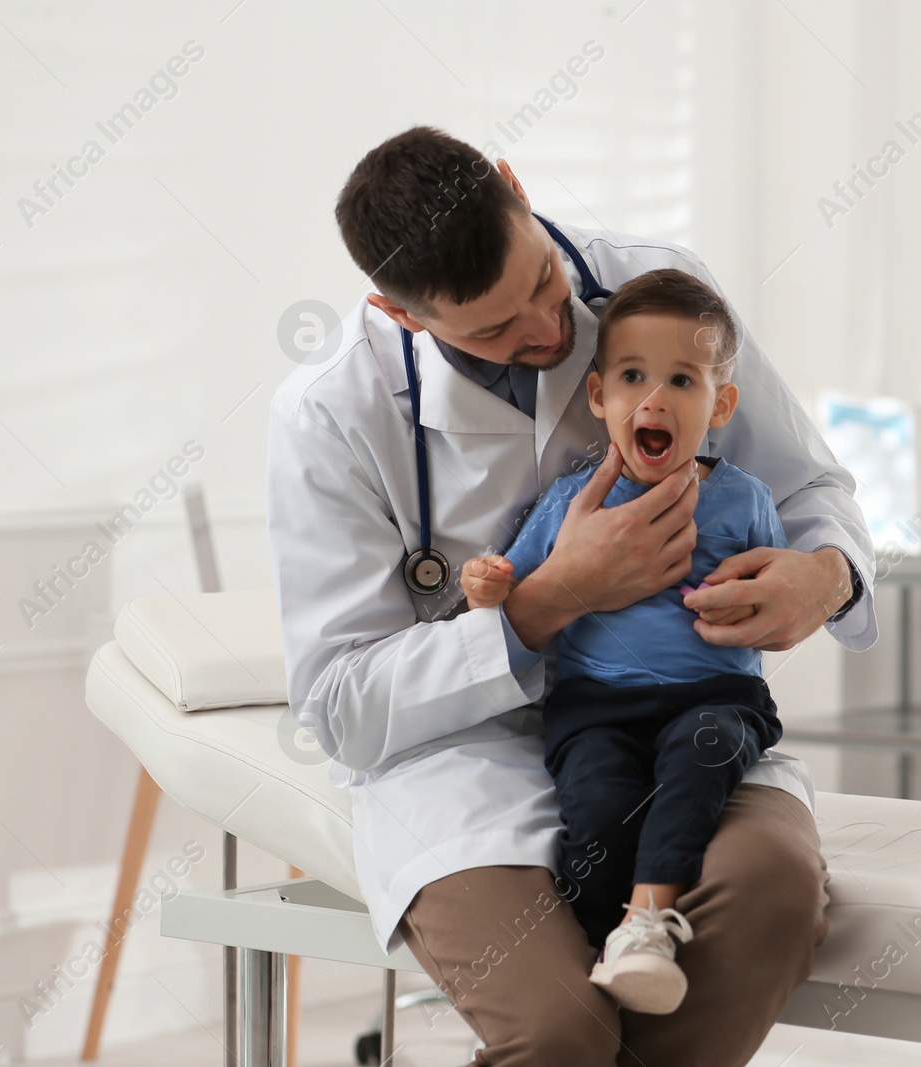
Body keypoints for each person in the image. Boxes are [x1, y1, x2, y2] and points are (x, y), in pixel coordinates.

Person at [267, 126, 876, 1066]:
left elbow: (809, 491)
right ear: (399, 313)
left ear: (516, 186)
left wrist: (824, 576)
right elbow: (341, 706)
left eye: (546, 282)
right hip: (463, 760)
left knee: (772, 897)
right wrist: (544, 602)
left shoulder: (660, 291)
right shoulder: (329, 414)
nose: (549, 332)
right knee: (562, 1030)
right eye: (495, 329)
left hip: (686, 709)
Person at [459, 268, 788, 1015]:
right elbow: (519, 584)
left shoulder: (746, 500)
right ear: (600, 396)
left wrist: (753, 605)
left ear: (721, 404)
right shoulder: (577, 499)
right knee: (600, 808)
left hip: (715, 697)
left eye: (682, 380)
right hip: (595, 706)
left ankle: (647, 921)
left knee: (698, 763)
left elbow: (775, 606)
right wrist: (484, 585)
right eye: (634, 375)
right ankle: (594, 953)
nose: (656, 398)